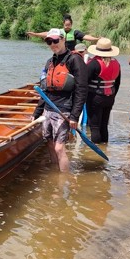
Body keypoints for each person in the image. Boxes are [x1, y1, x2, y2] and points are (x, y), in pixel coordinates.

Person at [33, 29, 88, 172]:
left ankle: (64, 182)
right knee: (50, 143)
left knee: (59, 147)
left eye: (56, 40)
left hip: (64, 110)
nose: (53, 44)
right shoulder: (50, 62)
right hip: (48, 109)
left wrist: (75, 116)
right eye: (49, 41)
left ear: (63, 39)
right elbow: (43, 90)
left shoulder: (75, 60)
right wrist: (37, 113)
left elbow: (82, 89)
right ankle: (54, 173)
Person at [86, 38, 121, 144]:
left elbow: (84, 81)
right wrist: (113, 96)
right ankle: (105, 147)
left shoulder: (93, 63)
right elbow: (117, 83)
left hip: (95, 97)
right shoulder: (116, 64)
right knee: (104, 124)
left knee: (95, 126)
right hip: (110, 97)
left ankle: (96, 152)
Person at [27, 14, 99, 51]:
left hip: (71, 54)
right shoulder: (59, 32)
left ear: (71, 24)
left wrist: (96, 39)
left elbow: (86, 37)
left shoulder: (75, 32)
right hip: (61, 53)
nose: (67, 26)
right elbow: (46, 33)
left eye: (69, 25)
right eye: (66, 25)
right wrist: (35, 34)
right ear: (63, 24)